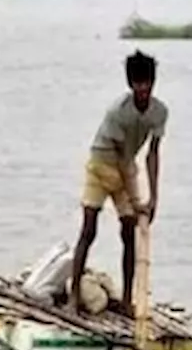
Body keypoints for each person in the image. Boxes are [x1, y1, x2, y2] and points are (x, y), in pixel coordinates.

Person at [68, 50, 168, 318]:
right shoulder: (118, 112)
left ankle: (126, 300)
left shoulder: (159, 112)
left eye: (147, 83)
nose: (143, 89)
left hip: (126, 169)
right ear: (131, 85)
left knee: (129, 232)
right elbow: (123, 159)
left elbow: (152, 154)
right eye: (138, 84)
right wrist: (137, 201)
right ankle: (74, 296)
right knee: (89, 229)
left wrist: (154, 198)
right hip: (101, 167)